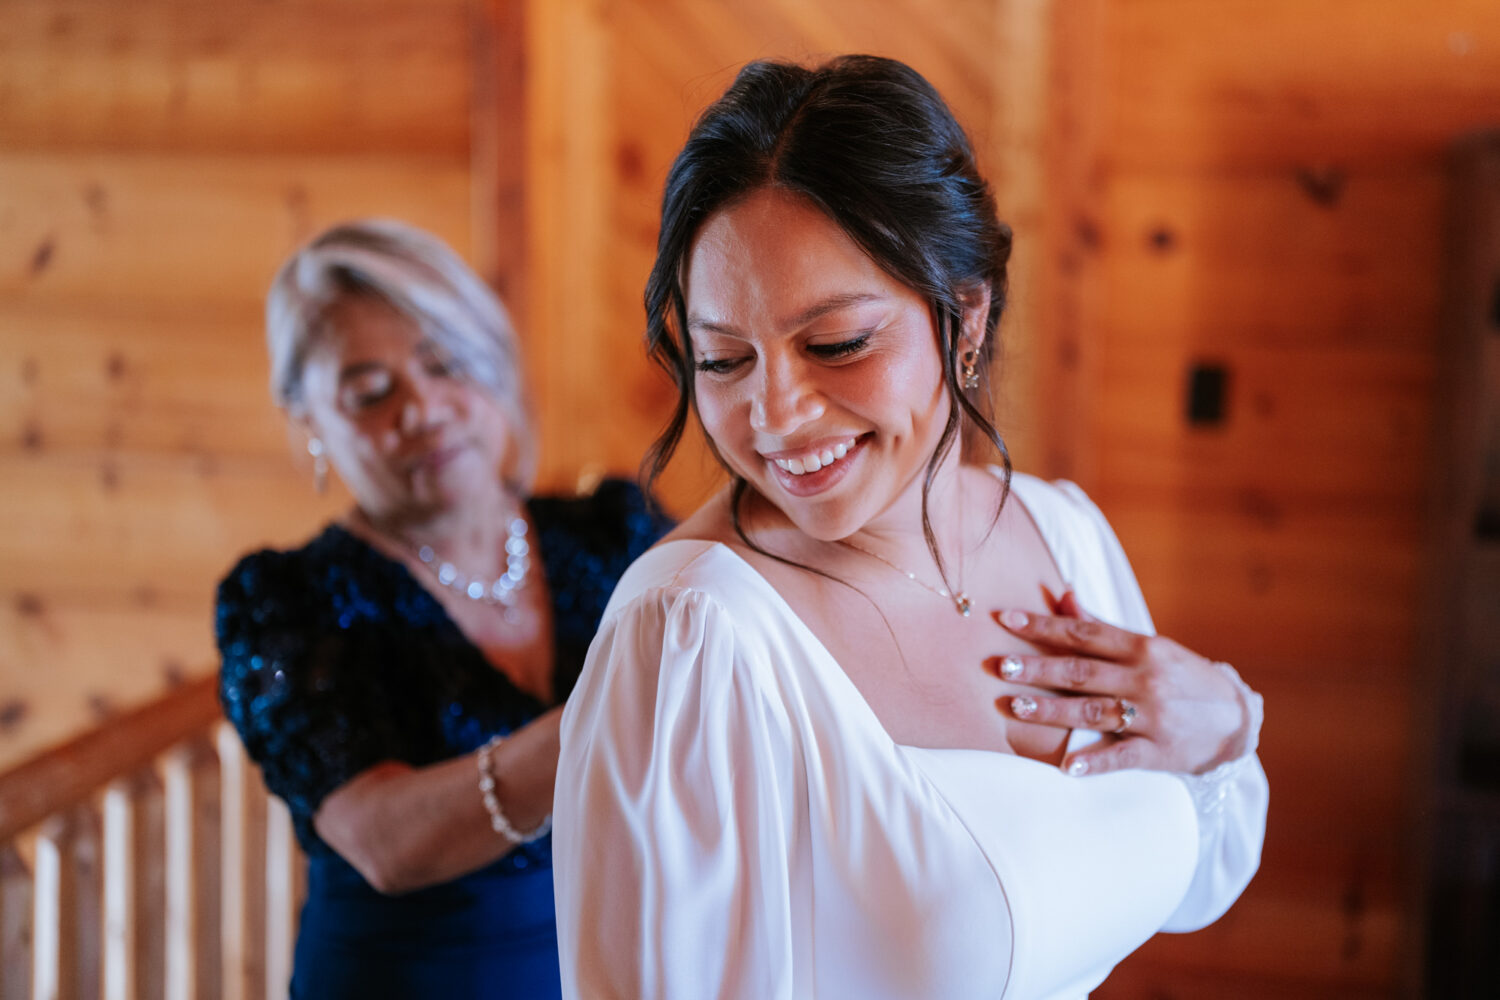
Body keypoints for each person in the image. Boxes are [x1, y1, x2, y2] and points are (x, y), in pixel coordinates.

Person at [553, 56, 1268, 999]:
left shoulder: (1065, 533)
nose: (775, 414)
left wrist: (1224, 726)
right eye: (723, 360)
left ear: (964, 321)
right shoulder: (694, 638)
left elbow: (1197, 881)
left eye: (835, 345)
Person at [215, 219, 670, 998]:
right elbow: (384, 843)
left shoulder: (612, 533)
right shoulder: (287, 599)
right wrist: (608, 713)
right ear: (310, 421)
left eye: (445, 364)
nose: (421, 407)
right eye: (369, 392)